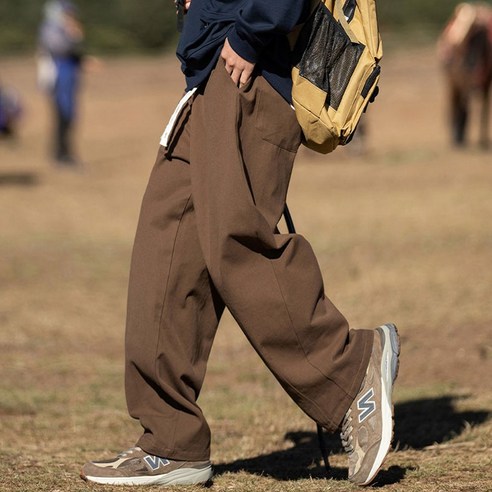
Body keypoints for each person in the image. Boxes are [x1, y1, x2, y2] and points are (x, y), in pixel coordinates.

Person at [81, 0, 400, 487]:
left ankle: (350, 370)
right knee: (164, 252)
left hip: (250, 67)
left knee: (238, 244)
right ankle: (170, 439)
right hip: (210, 71)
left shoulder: (251, 42)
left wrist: (255, 30)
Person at [38, 0, 84, 165]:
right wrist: (73, 35)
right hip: (58, 78)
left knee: (69, 116)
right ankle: (61, 154)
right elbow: (60, 48)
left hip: (68, 77)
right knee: (62, 115)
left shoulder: (61, 29)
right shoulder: (51, 28)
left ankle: (65, 152)